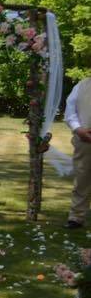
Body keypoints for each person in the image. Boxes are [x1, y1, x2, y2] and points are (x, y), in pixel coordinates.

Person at [64, 74, 91, 228]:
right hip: (85, 139)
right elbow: (70, 111)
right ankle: (76, 217)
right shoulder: (82, 85)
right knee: (82, 177)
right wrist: (78, 129)